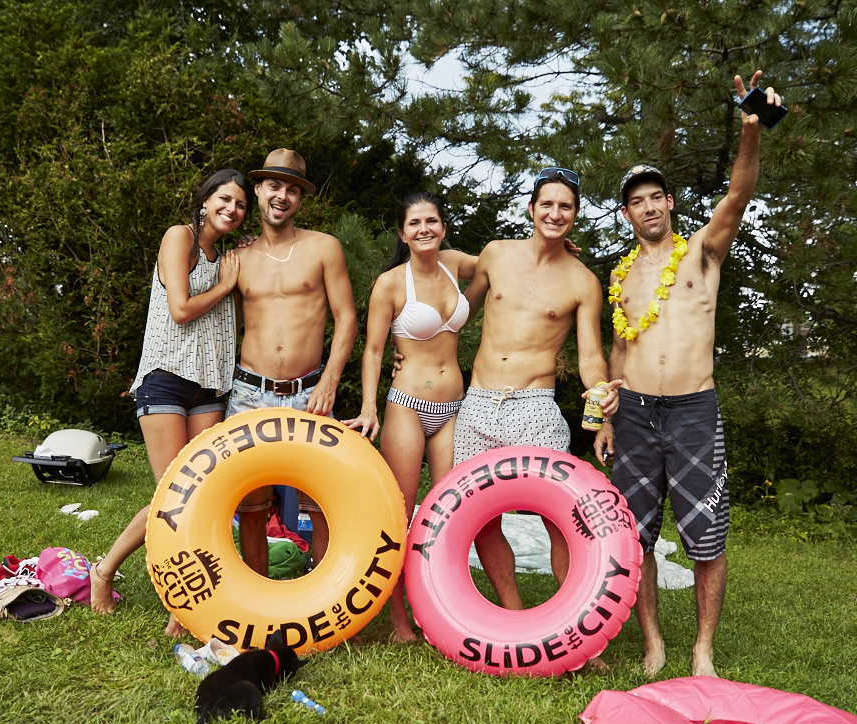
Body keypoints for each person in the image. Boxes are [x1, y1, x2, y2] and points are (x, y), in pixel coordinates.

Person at [596, 71, 784, 678]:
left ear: (670, 203)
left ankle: (704, 648)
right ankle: (654, 642)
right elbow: (620, 348)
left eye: (657, 197)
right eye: (636, 201)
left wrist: (750, 131)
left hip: (694, 410)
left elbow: (739, 190)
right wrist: (607, 413)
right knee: (637, 531)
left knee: (707, 532)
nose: (648, 207)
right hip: (636, 414)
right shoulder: (622, 277)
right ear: (627, 214)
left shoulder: (702, 251)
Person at [90, 168, 251, 636]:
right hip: (165, 379)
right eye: (224, 199)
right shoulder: (178, 237)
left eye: (240, 204)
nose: (232, 209)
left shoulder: (225, 256)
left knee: (200, 497)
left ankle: (182, 606)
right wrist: (225, 285)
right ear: (204, 200)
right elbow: (180, 309)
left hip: (210, 385)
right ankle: (104, 571)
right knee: (171, 499)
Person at [456, 168, 621, 618]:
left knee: (560, 517)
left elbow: (589, 355)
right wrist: (410, 350)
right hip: (478, 403)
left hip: (535, 407)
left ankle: (574, 622)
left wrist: (601, 394)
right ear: (531, 209)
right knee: (479, 518)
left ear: (575, 215)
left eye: (564, 206)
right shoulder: (495, 254)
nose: (554, 213)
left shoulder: (583, 281)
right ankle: (515, 615)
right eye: (546, 204)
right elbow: (458, 314)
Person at [343, 192, 478, 641]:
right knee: (399, 513)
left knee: (449, 512)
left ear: (443, 227)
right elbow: (375, 350)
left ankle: (440, 605)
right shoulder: (391, 284)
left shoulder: (456, 265)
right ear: (403, 233)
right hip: (407, 406)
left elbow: (506, 263)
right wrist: (368, 407)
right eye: (415, 223)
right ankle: (398, 617)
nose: (425, 229)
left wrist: (554, 247)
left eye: (433, 221)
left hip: (454, 407)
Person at [227, 149, 357, 576]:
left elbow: (347, 319)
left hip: (309, 391)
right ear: (259, 191)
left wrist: (330, 383)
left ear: (300, 198)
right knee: (251, 506)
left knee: (321, 503)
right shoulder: (237, 257)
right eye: (274, 186)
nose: (282, 196)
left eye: (292, 189)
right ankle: (256, 597)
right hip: (249, 393)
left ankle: (322, 600)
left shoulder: (323, 247)